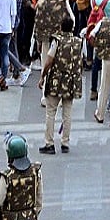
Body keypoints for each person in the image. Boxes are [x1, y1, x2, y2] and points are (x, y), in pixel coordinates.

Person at [38, 16, 81, 153]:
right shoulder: (78, 42)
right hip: (71, 81)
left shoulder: (56, 41)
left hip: (56, 81)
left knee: (50, 112)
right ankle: (65, 143)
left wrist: (43, 76)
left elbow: (49, 60)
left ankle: (49, 143)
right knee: (67, 114)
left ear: (61, 27)